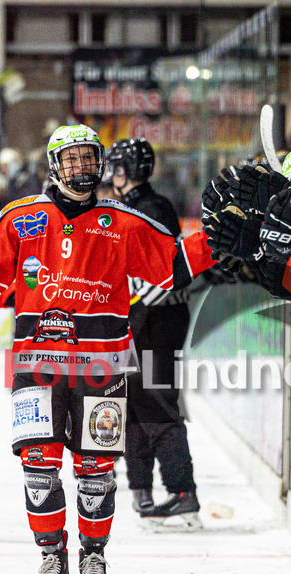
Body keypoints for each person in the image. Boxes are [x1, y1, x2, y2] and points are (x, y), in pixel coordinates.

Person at [0, 124, 216, 574]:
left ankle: (93, 555)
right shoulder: (20, 218)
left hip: (102, 367)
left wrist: (221, 232)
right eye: (72, 159)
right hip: (36, 366)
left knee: (95, 468)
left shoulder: (122, 221)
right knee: (38, 466)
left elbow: (173, 262)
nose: (82, 167)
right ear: (54, 164)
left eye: (89, 158)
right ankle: (50, 558)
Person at [105, 137, 200, 526]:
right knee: (136, 407)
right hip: (144, 321)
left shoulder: (150, 208)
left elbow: (162, 275)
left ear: (124, 171)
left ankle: (182, 492)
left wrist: (131, 305)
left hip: (157, 322)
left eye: (114, 168)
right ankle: (142, 489)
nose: (110, 175)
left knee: (158, 406)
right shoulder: (137, 206)